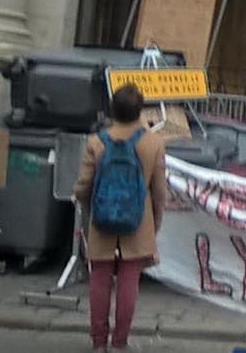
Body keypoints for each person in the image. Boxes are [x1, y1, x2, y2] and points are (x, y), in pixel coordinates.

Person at [73, 85, 166, 352]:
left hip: (102, 219)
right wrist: (155, 221)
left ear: (113, 109)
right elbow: (159, 191)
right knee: (129, 281)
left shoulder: (96, 141)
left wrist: (88, 203)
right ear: (140, 110)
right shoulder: (154, 142)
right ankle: (120, 341)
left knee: (100, 280)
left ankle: (98, 341)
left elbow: (83, 185)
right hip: (139, 220)